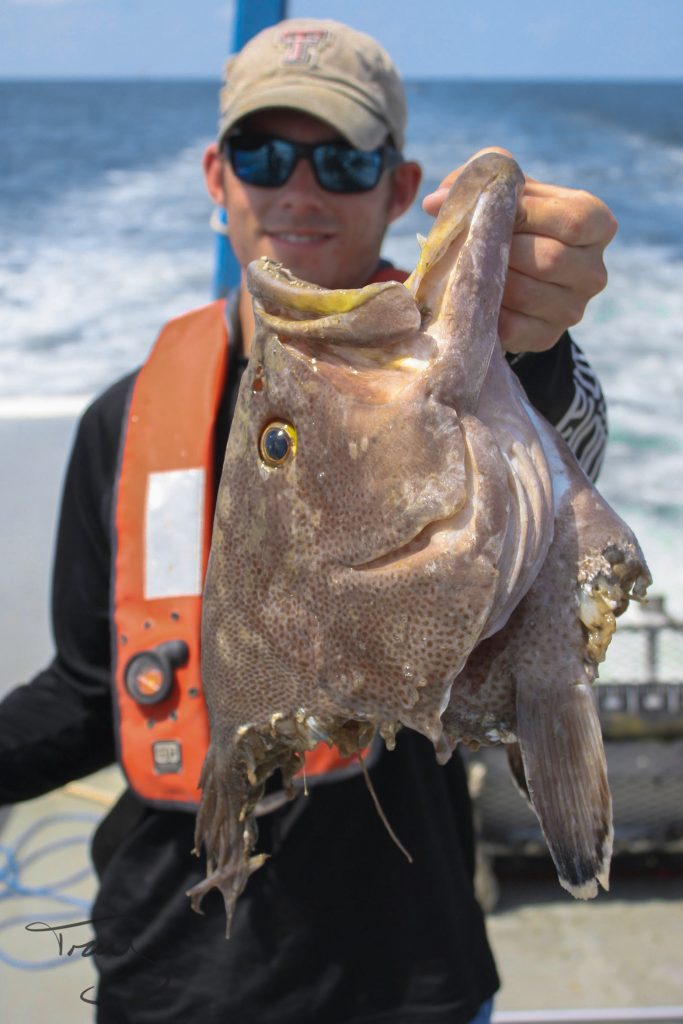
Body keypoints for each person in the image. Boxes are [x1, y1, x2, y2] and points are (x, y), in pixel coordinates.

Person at [0, 18, 615, 1024]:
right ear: (215, 175)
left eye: (340, 158)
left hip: (403, 974)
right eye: (261, 152)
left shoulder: (463, 377)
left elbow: (552, 443)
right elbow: (86, 686)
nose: (296, 186)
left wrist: (533, 336)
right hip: (164, 971)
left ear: (398, 188)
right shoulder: (123, 417)